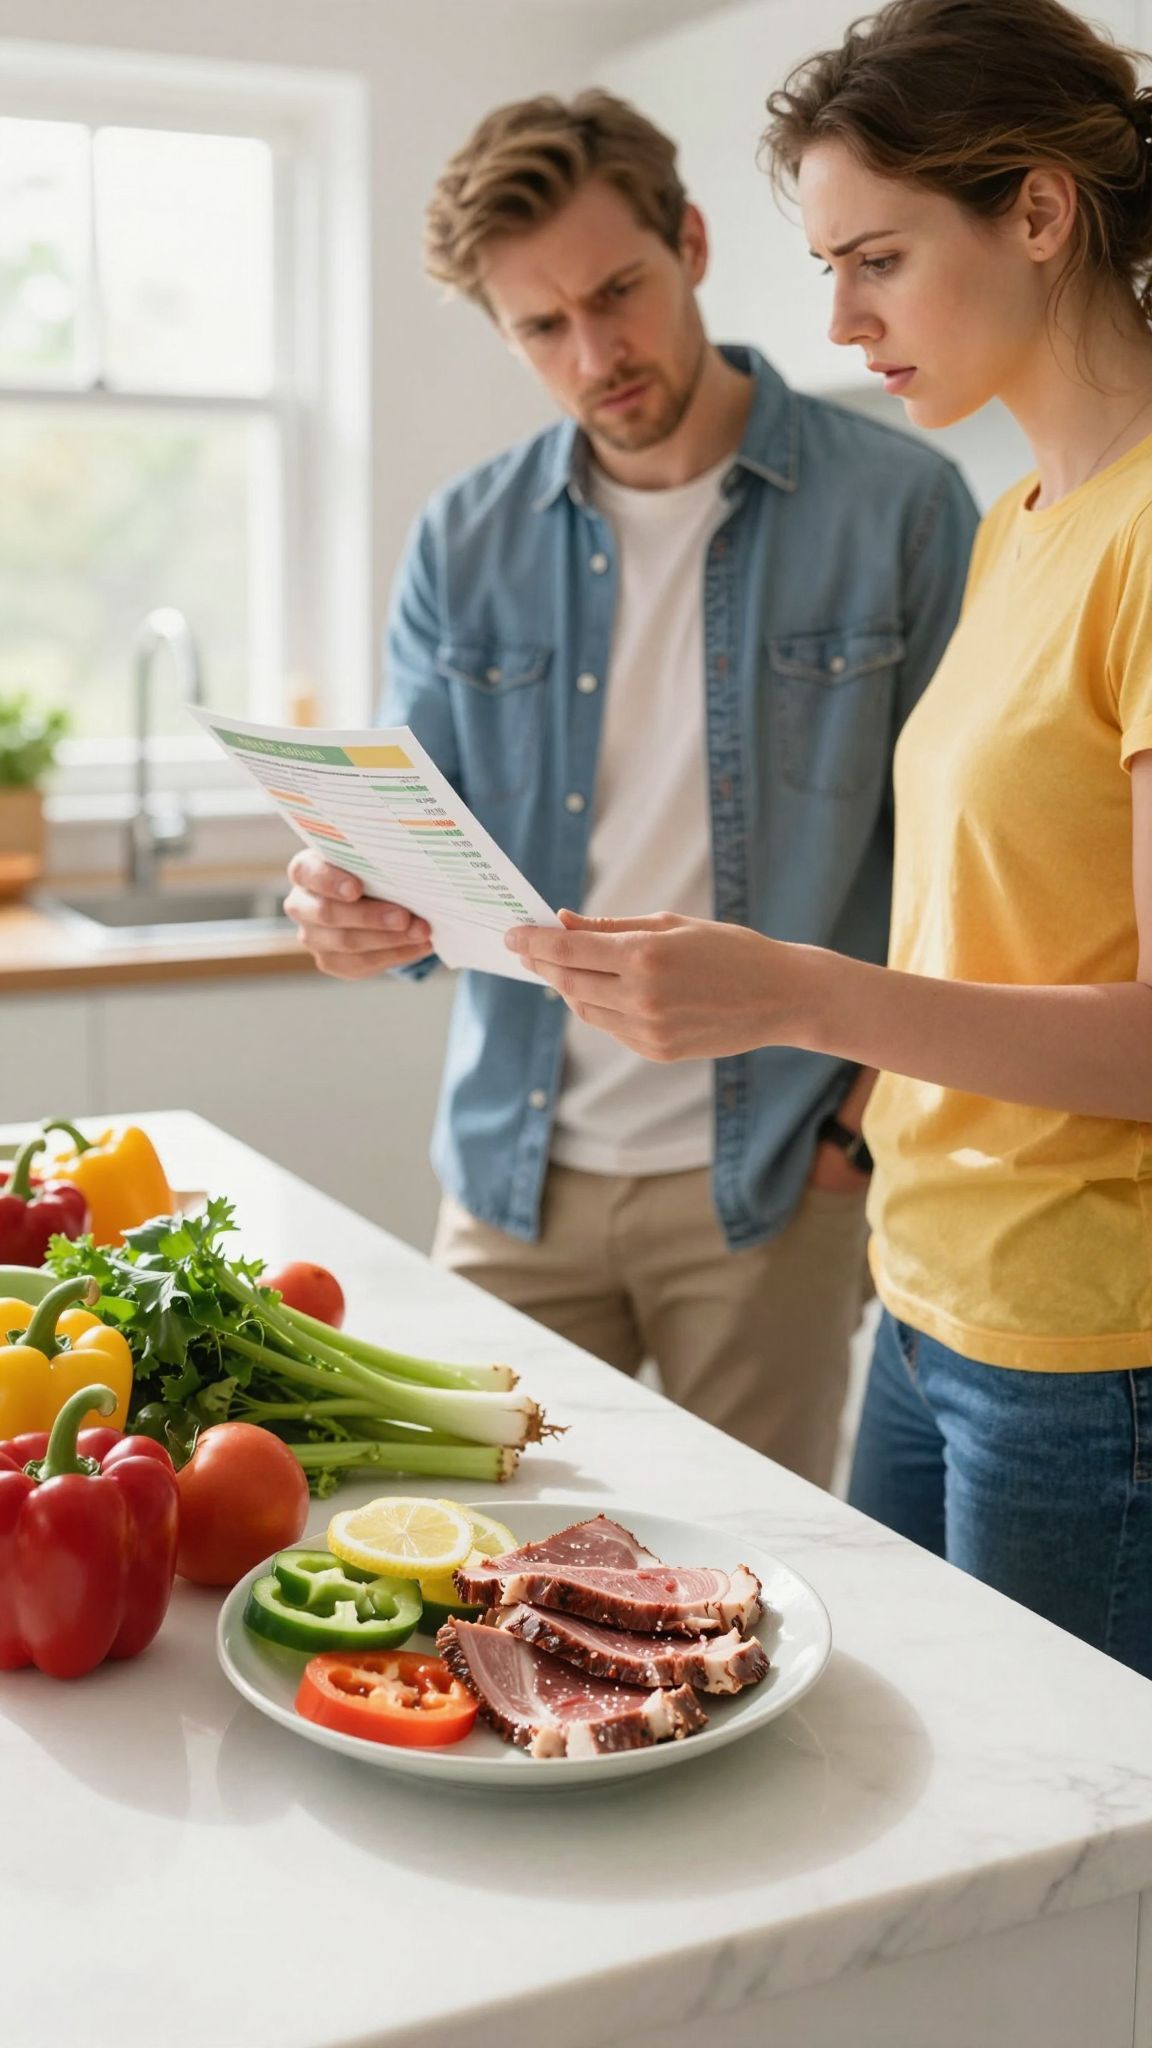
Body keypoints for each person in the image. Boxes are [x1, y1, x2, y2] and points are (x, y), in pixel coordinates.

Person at [507, 1, 1152, 1675]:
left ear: (1039, 210)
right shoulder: (1024, 520)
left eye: (877, 260)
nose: (842, 319)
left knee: (1054, 1827)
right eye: (826, 268)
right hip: (931, 1307)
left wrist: (791, 994)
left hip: (1089, 1351)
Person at [285, 90, 977, 1486]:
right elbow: (409, 841)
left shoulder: (900, 506)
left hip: (776, 1180)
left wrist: (853, 1136)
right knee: (469, 1551)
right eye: (543, 326)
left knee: (752, 1576)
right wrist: (347, 905)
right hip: (514, 1171)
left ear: (692, 245)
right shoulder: (464, 537)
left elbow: (967, 866)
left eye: (618, 293)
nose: (595, 353)